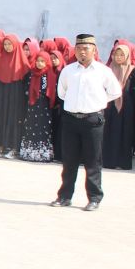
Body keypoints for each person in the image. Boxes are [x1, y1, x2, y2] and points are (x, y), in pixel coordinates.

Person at [51, 34, 122, 211]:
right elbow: (61, 93)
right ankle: (64, 196)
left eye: (86, 48)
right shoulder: (68, 70)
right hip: (71, 119)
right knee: (69, 160)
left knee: (93, 161)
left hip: (92, 120)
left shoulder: (102, 71)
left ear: (94, 50)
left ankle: (95, 198)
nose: (82, 52)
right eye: (79, 48)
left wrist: (99, 101)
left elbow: (115, 92)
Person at [101, 42, 135, 169]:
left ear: (127, 56)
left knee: (125, 133)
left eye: (122, 55)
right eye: (116, 54)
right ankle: (109, 161)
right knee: (109, 132)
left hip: (127, 107)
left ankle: (123, 162)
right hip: (109, 106)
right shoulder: (108, 69)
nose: (119, 57)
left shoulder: (133, 69)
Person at [0, 33, 29, 159]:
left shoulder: (22, 61)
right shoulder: (1, 59)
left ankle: (13, 148)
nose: (7, 47)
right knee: (1, 117)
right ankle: (0, 146)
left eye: (9, 44)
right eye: (5, 44)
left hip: (16, 94)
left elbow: (25, 78)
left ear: (15, 45)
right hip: (3, 94)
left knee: (13, 118)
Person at [18, 51, 56, 163]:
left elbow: (51, 92)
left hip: (44, 107)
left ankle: (42, 154)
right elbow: (26, 88)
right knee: (30, 127)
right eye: (38, 61)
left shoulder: (50, 75)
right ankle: (29, 153)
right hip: (32, 106)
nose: (39, 64)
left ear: (47, 62)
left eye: (42, 61)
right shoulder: (31, 74)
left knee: (42, 129)